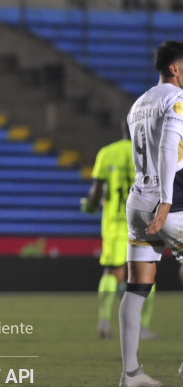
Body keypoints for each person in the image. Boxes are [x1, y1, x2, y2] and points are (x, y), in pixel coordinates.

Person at [117, 40, 183, 387]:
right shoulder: (175, 100)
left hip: (138, 201)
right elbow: (170, 146)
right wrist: (167, 200)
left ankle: (130, 373)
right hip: (166, 201)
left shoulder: (138, 104)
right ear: (175, 68)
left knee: (137, 287)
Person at [82, 124, 157, 340]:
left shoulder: (107, 153)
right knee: (145, 275)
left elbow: (96, 194)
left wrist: (91, 205)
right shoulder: (151, 155)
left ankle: (104, 321)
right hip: (142, 223)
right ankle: (141, 328)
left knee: (112, 272)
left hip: (114, 223)